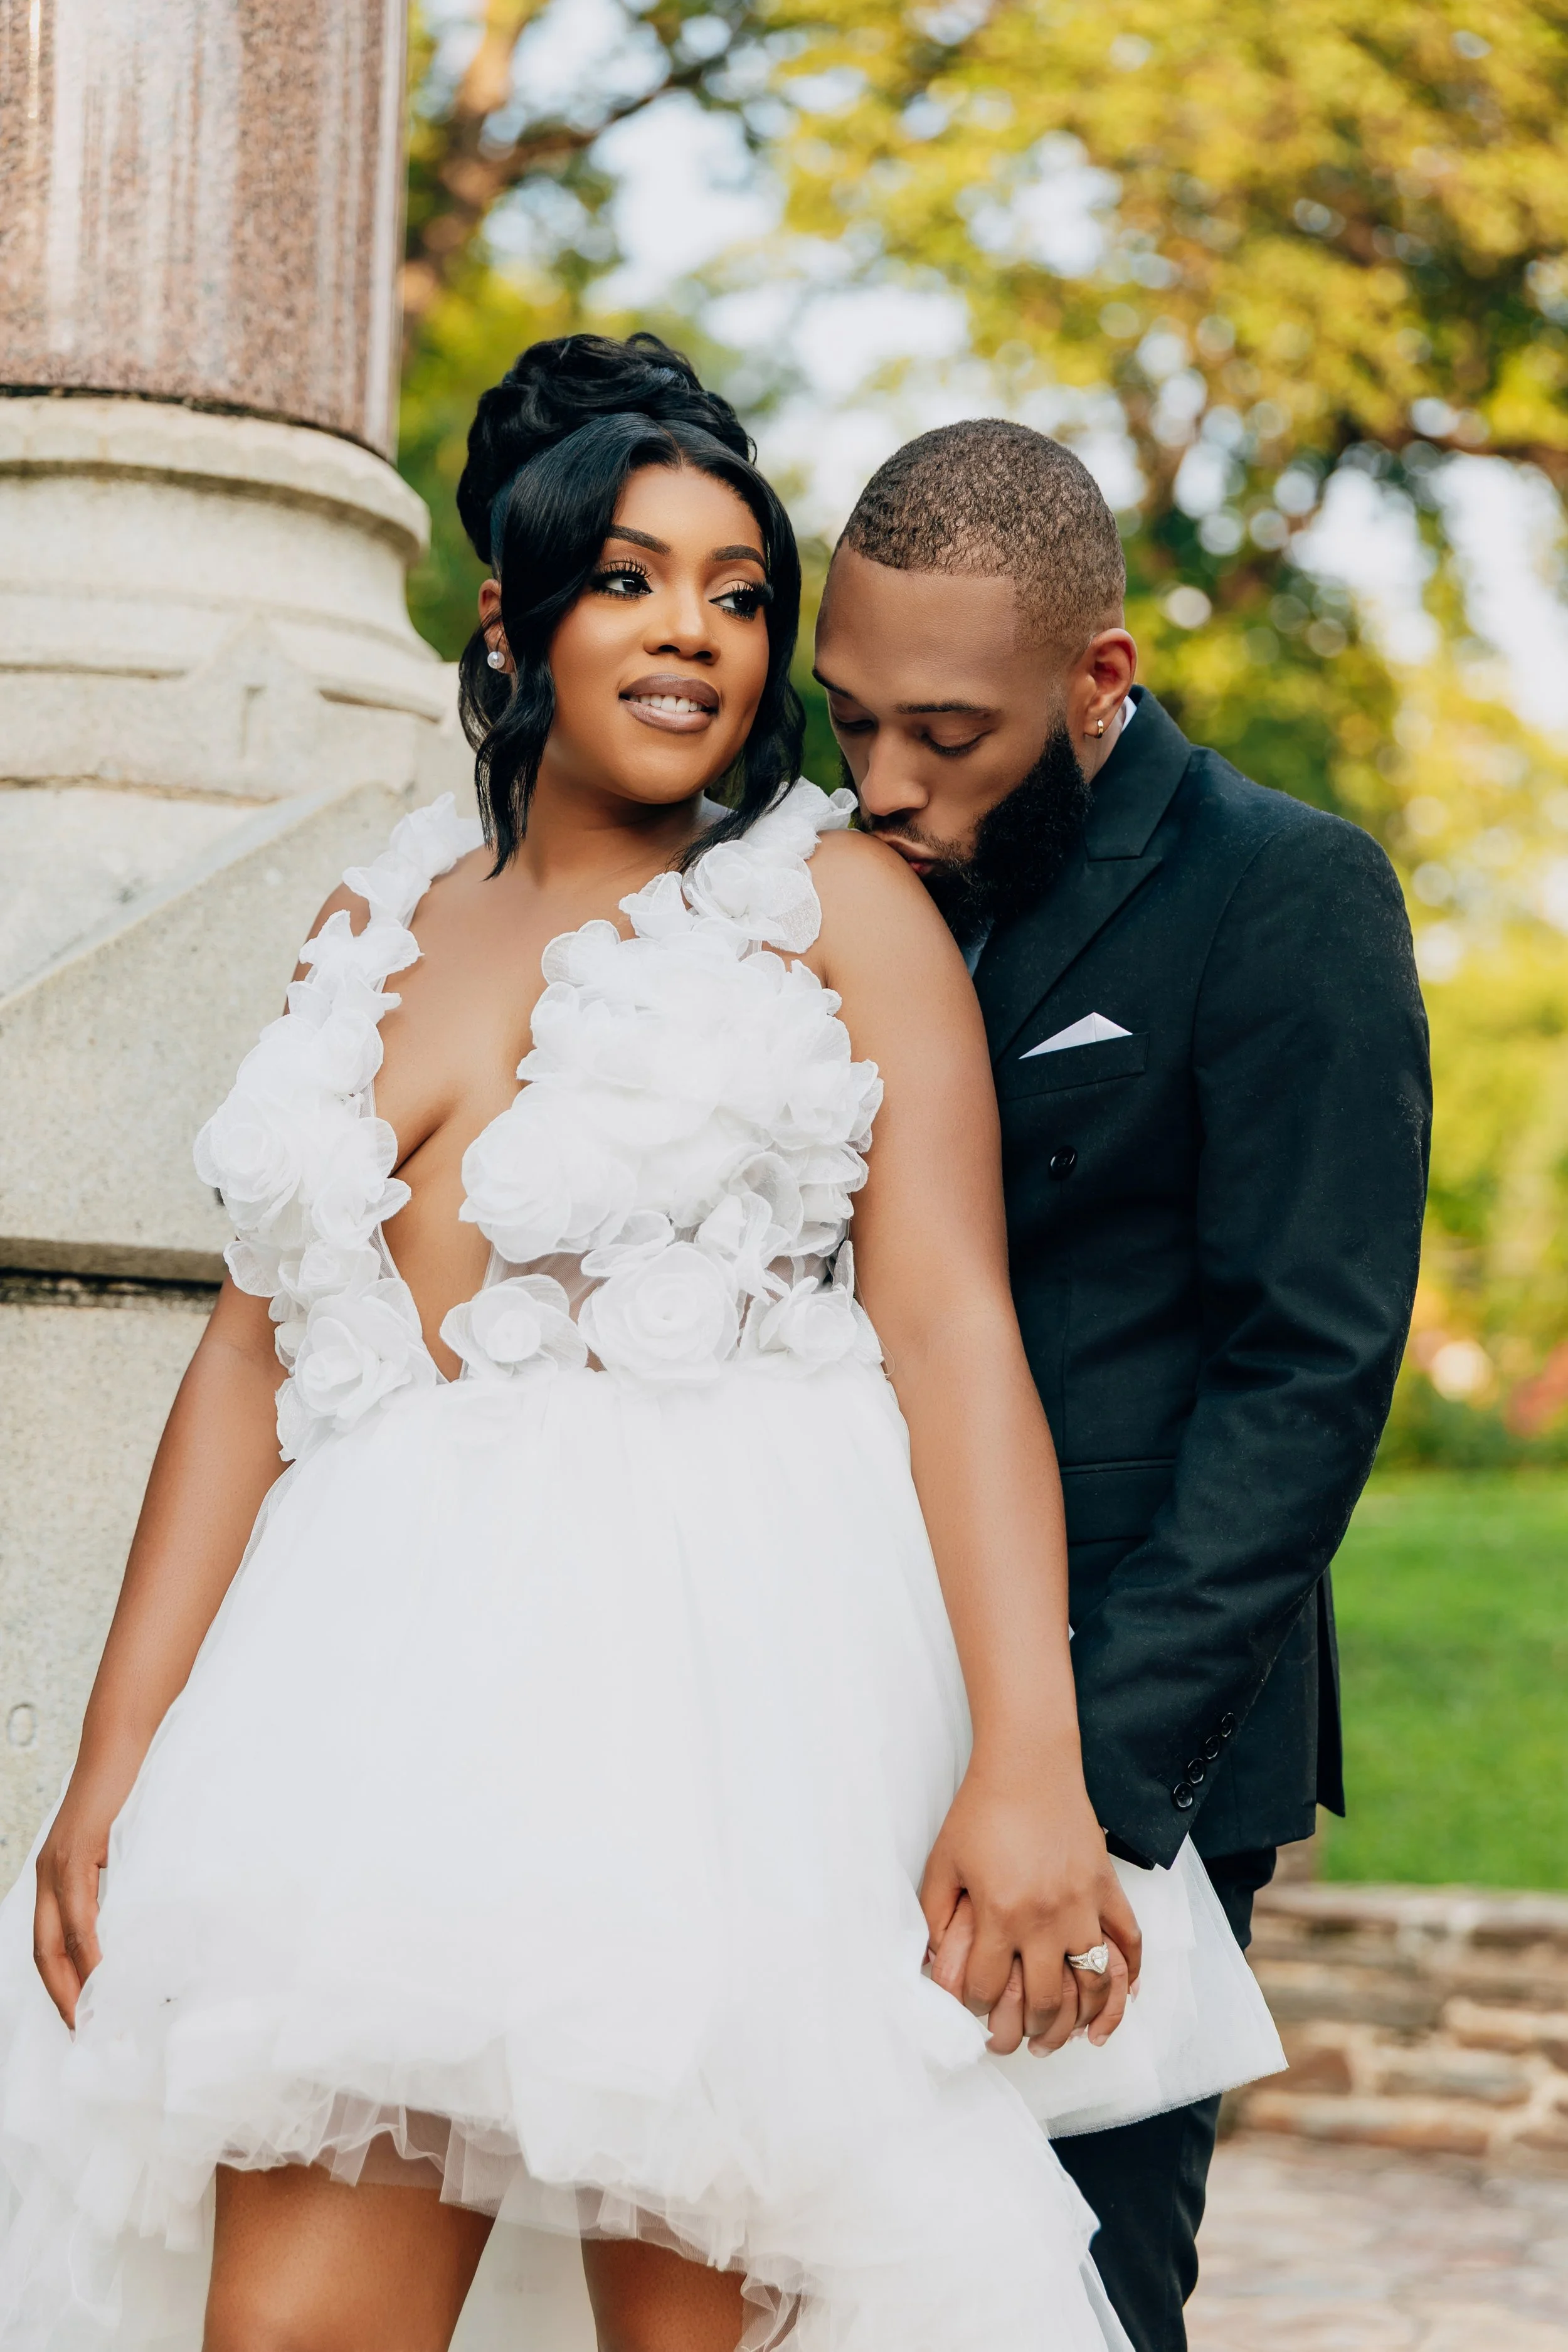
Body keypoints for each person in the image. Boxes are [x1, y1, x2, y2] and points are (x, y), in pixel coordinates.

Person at [0, 340, 1279, 2352]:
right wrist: (111, 1764)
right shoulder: (370, 909)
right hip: (353, 1731)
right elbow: (250, 1363)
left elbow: (952, 1338)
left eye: (738, 592)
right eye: (630, 577)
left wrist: (1028, 1754)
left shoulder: (836, 908)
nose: (695, 629)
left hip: (723, 1716)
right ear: (512, 616)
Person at [813, 418, 1431, 2352]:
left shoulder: (1285, 893)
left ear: (1098, 682)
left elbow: (1303, 1370)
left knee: (1067, 2292)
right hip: (818, 1692)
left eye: (947, 734)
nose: (885, 785)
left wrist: (1069, 1769)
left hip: (1115, 1726)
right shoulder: (817, 876)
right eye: (852, 722)